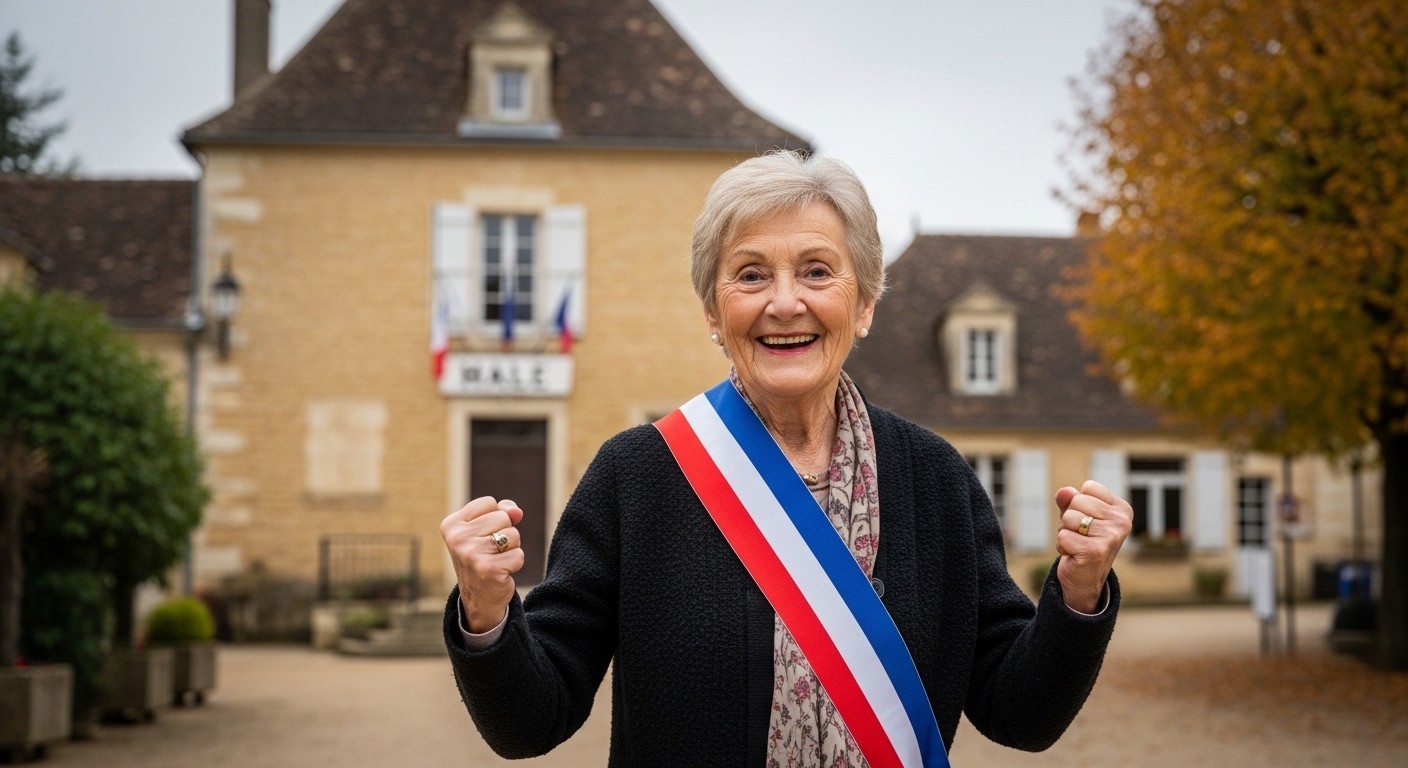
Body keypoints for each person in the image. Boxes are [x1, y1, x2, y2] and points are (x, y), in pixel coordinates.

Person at [440, 150, 1133, 766]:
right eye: (749, 275)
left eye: (816, 271)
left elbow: (1022, 715)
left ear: (862, 303)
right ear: (714, 312)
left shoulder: (936, 478)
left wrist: (1079, 593)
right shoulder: (638, 477)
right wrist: (487, 611)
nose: (784, 302)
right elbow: (532, 723)